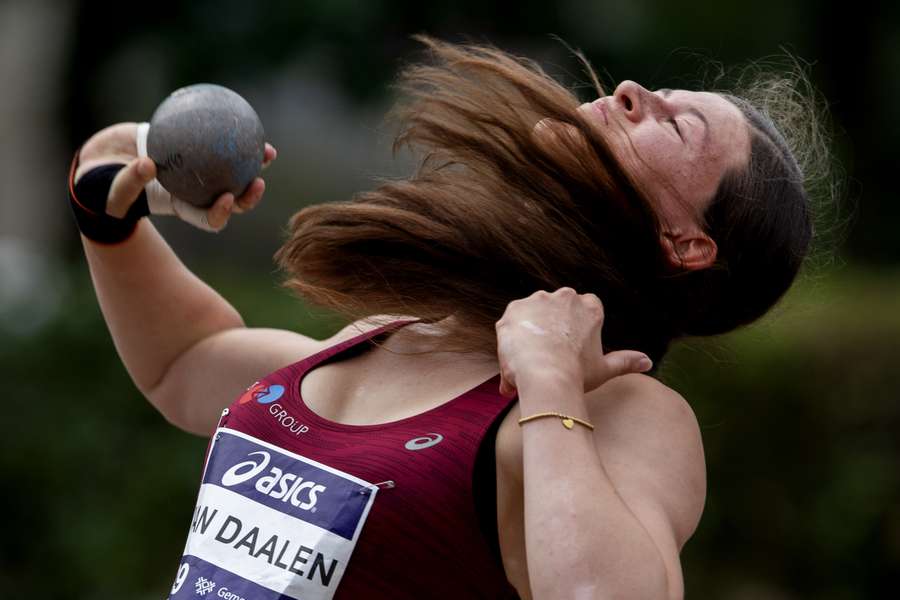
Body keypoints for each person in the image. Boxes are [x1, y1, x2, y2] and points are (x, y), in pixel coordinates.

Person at [68, 37, 822, 599]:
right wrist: (112, 221)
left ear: (686, 244)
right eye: (655, 91)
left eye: (674, 123)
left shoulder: (625, 411)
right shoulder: (400, 331)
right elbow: (190, 362)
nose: (629, 90)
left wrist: (554, 384)